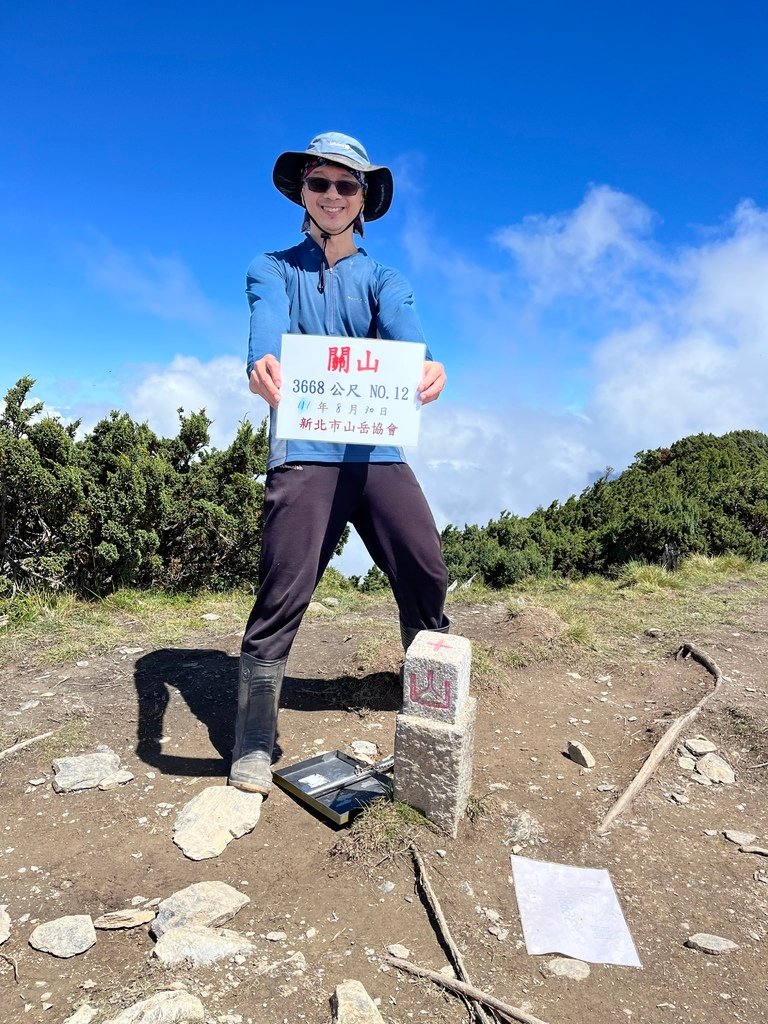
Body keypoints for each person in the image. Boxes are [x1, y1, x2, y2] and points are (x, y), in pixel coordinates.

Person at [230, 132, 449, 795]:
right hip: (304, 452)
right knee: (283, 587)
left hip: (378, 451)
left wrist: (427, 366)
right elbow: (266, 325)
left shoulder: (386, 277)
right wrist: (260, 363)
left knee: (425, 566)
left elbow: (407, 337)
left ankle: (429, 698)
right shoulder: (272, 268)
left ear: (363, 200)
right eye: (319, 183)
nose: (331, 195)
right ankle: (251, 738)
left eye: (345, 185)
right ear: (303, 191)